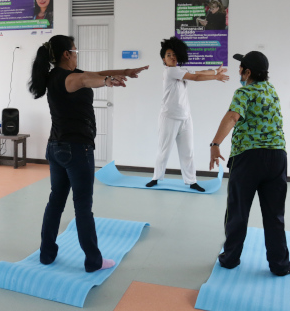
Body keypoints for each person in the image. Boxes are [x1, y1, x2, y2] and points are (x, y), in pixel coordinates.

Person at [29, 34, 148, 272]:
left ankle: (46, 254)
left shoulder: (54, 76)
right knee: (83, 207)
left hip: (56, 148)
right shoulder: (71, 79)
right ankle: (93, 261)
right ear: (67, 54)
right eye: (75, 51)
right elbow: (85, 80)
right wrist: (107, 81)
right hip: (77, 150)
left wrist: (123, 71)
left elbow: (91, 74)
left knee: (56, 202)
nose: (76, 54)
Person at [209, 51, 290, 276]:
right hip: (277, 157)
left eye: (241, 68)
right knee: (275, 215)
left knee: (238, 211)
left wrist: (215, 144)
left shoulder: (244, 92)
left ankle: (230, 259)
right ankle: (280, 265)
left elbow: (231, 117)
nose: (239, 72)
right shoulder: (272, 90)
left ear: (247, 72)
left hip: (248, 158)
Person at [146, 37, 229, 191]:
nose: (172, 57)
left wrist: (216, 71)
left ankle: (191, 181)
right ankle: (156, 177)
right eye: (168, 55)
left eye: (174, 54)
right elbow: (197, 78)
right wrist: (215, 77)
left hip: (185, 118)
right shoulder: (171, 71)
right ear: (164, 59)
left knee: (188, 151)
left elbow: (198, 72)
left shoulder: (180, 71)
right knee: (164, 150)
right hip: (169, 117)